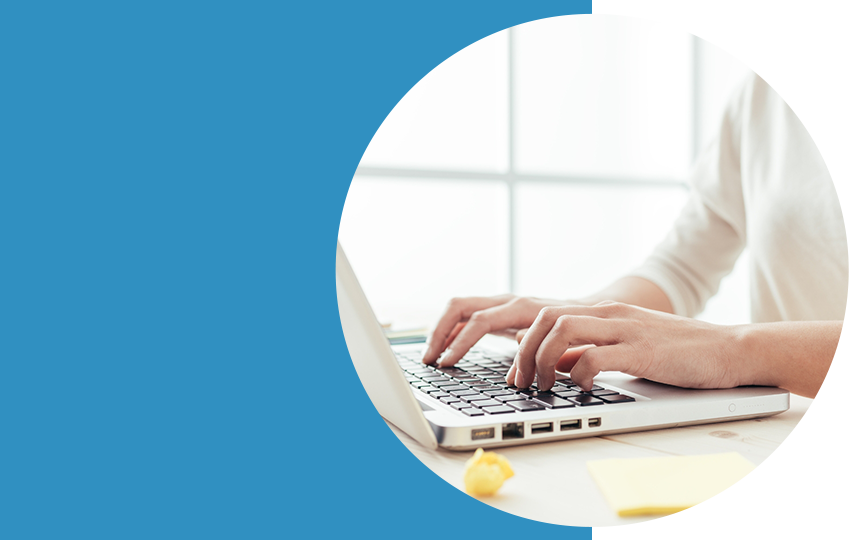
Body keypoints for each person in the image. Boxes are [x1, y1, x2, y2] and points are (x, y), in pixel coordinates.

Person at [421, 74, 847, 400]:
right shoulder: (762, 96)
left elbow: (728, 344)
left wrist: (732, 351)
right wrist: (584, 315)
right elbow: (682, 269)